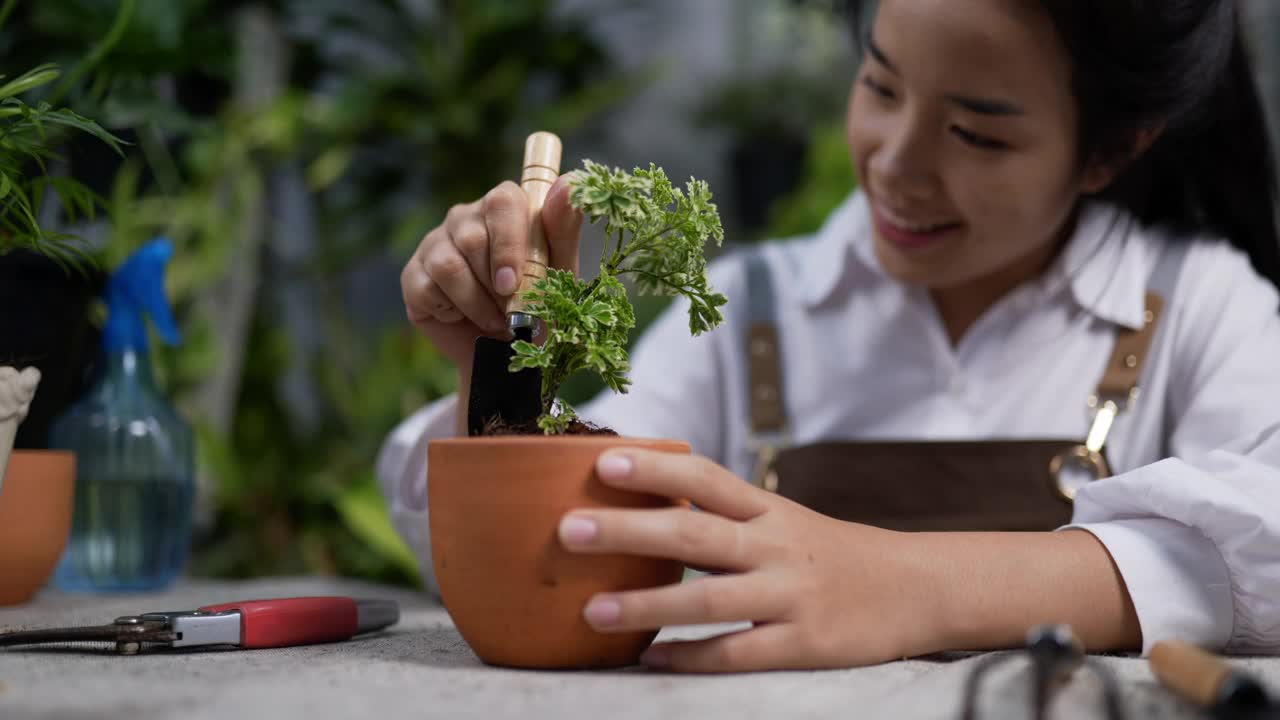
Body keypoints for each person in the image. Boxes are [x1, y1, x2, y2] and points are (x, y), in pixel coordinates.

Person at [379, 0, 1280, 672]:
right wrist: (500, 373)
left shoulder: (1198, 306)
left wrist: (911, 585)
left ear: (1111, 151)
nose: (894, 161)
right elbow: (546, 558)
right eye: (880, 85)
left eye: (974, 132)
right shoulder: (748, 314)